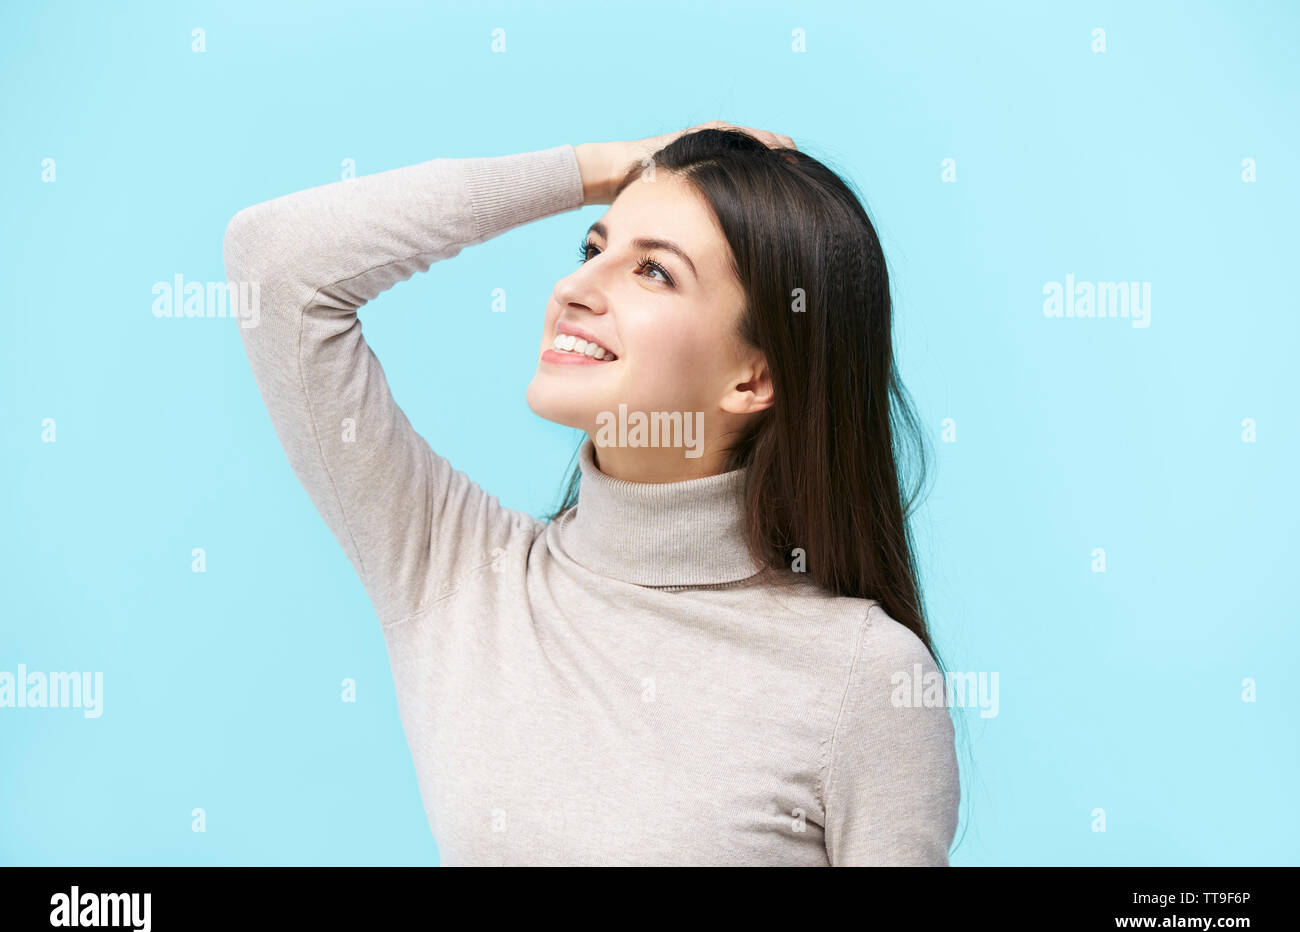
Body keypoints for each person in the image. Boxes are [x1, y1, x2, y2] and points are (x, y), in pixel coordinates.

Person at [223, 121, 961, 865]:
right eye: (593, 248)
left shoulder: (865, 681)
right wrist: (602, 168)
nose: (574, 288)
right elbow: (275, 265)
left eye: (654, 273)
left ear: (756, 378)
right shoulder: (460, 577)